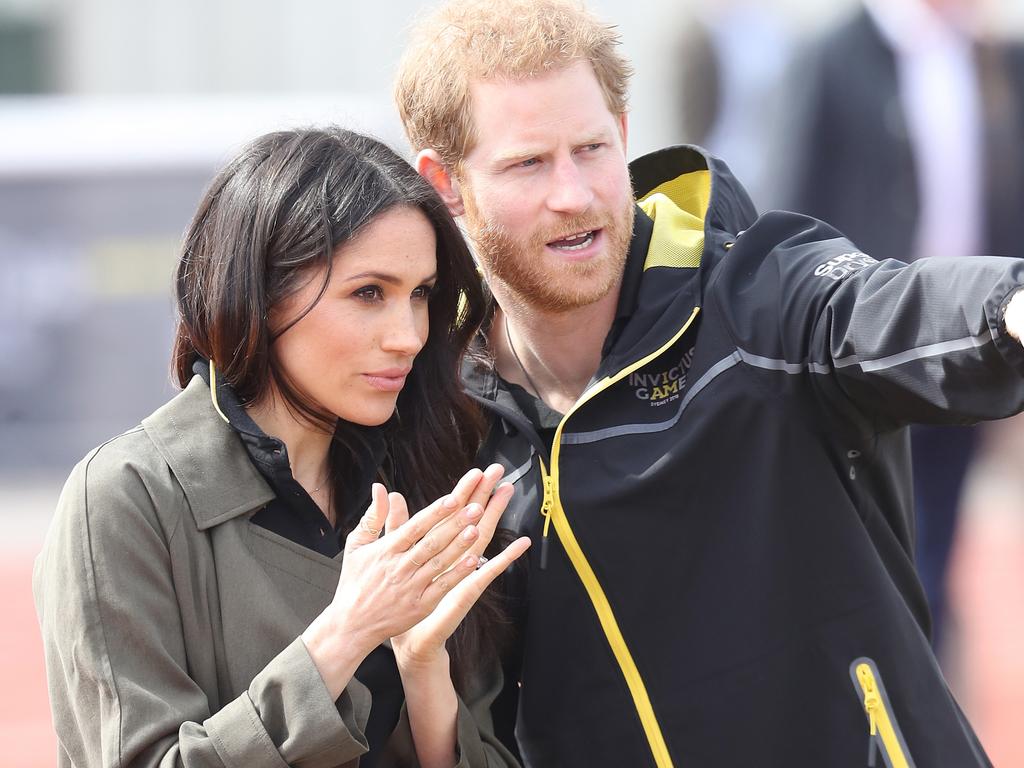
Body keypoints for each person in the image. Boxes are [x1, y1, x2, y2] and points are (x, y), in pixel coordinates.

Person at [394, 1, 1024, 765]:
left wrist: (1009, 310)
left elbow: (883, 309)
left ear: (623, 134)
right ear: (446, 183)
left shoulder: (757, 297)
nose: (575, 194)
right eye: (528, 163)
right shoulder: (441, 416)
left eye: (591, 149)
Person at [32, 127, 530, 768]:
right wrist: (345, 633)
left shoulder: (428, 477)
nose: (407, 335)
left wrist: (425, 672)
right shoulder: (129, 498)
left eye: (422, 295)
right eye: (369, 293)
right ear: (260, 293)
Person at [775, 0, 1024, 652]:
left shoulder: (997, 58)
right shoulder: (835, 57)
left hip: (974, 348)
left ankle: (927, 704)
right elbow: (792, 216)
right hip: (868, 354)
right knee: (872, 547)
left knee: (938, 538)